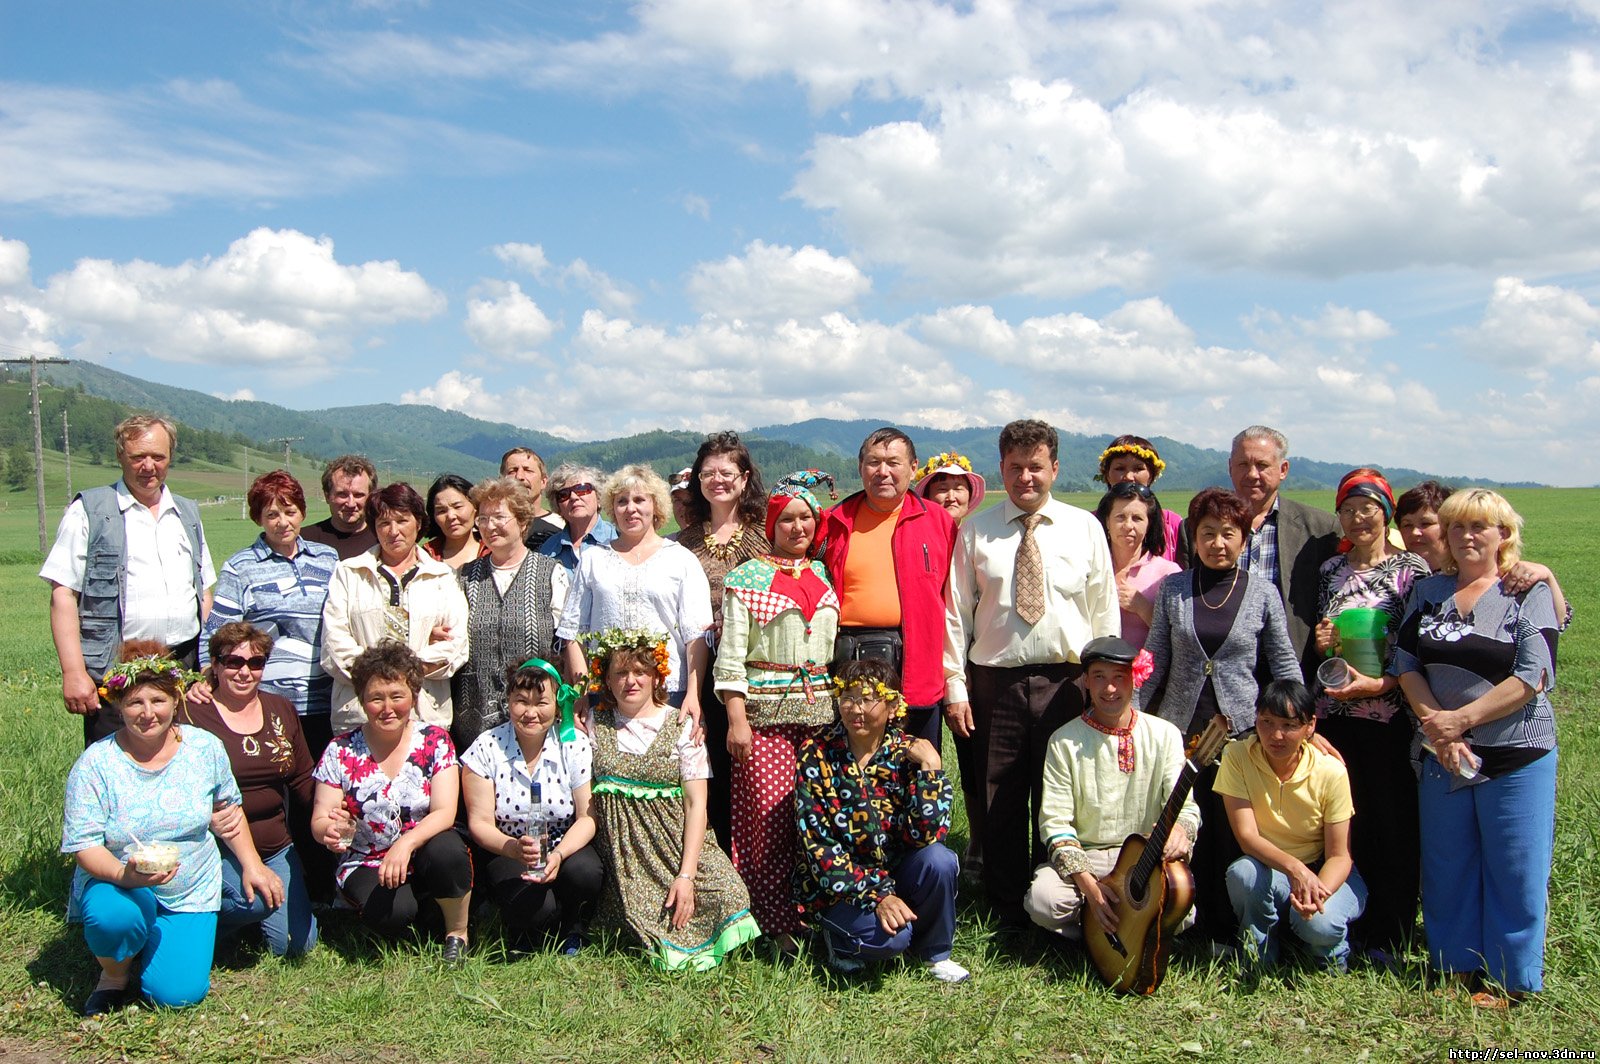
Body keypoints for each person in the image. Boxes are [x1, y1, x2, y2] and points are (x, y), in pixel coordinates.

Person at [943, 419, 1118, 927]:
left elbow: (1103, 608)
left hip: (1067, 682)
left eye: (1035, 467)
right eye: (1015, 467)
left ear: (1055, 468)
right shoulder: (977, 530)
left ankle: (1054, 897)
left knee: (1060, 793)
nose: (1025, 478)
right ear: (1001, 468)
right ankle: (1005, 904)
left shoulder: (1085, 527)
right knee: (999, 794)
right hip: (995, 680)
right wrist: (956, 686)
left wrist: (1101, 681)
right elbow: (957, 612)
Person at [1391, 489, 1559, 1005]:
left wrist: (1459, 720)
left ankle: (1512, 978)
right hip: (1442, 753)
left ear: (1502, 535)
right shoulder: (1427, 590)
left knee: (1515, 866)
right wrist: (1437, 727)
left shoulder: (1523, 589)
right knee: (1448, 864)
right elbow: (1405, 662)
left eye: (1480, 527)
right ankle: (1456, 967)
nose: (1467, 536)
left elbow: (1535, 673)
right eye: (1457, 526)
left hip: (1515, 752)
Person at [60, 643, 273, 1015]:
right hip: (118, 879)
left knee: (177, 995)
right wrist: (124, 875)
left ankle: (164, 939)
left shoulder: (204, 747)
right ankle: (114, 973)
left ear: (176, 700)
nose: (147, 713)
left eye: (157, 701)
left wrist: (253, 865)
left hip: (190, 883)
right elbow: (84, 844)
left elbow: (229, 810)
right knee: (114, 917)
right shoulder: (96, 763)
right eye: (135, 703)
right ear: (118, 705)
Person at [1139, 487, 1302, 946]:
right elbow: (1155, 659)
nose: (1218, 543)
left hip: (1240, 735)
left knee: (1233, 833)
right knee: (1182, 827)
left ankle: (1236, 931)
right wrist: (1130, 713)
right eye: (1207, 533)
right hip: (1181, 733)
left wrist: (1301, 722)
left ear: (1244, 538)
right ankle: (1185, 923)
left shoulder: (1261, 592)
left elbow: (1283, 663)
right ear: (1193, 536)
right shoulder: (1174, 588)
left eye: (1228, 533)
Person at [713, 472, 840, 952]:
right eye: (786, 518)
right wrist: (737, 719)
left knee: (813, 813)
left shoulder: (823, 576)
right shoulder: (747, 579)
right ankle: (771, 919)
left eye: (805, 517)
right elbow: (730, 659)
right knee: (767, 816)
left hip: (820, 715)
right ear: (771, 525)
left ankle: (813, 909)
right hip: (764, 716)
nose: (797, 526)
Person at [586, 629, 761, 970]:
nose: (631, 681)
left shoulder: (681, 724)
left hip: (677, 840)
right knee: (641, 910)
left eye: (640, 672)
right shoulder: (594, 724)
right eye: (620, 673)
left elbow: (697, 806)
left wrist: (686, 875)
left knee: (731, 894)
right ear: (607, 680)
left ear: (656, 677)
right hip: (628, 854)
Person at [41, 414, 216, 745]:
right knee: (117, 770)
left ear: (171, 457)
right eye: (138, 457)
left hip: (183, 669)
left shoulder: (187, 513)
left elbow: (203, 591)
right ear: (120, 455)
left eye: (158, 457)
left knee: (183, 763)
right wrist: (74, 672)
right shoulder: (90, 510)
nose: (148, 466)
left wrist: (206, 662)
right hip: (116, 671)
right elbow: (63, 593)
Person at [1310, 469, 1429, 955]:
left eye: (1368, 508)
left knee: (1390, 822)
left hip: (1387, 713)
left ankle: (1389, 930)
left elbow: (1418, 645)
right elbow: (1326, 636)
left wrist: (1380, 683)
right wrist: (1323, 642)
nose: (1359, 518)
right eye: (1348, 509)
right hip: (1337, 714)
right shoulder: (1330, 572)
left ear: (1385, 512)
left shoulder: (1412, 571)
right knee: (1344, 822)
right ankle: (1348, 924)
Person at [795, 659, 968, 982]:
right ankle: (840, 939)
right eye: (848, 698)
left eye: (866, 699)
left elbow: (928, 833)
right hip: (841, 887)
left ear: (892, 708)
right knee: (892, 940)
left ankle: (934, 952)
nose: (855, 709)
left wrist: (931, 768)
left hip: (896, 870)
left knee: (940, 860)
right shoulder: (816, 753)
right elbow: (819, 848)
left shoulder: (907, 753)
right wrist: (879, 896)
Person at [1023, 636, 1199, 941]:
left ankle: (1123, 933)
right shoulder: (1064, 741)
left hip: (1142, 859)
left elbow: (1186, 808)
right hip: (1088, 857)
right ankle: (1100, 936)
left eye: (1120, 678)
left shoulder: (1165, 735)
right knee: (1043, 900)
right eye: (1100, 677)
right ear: (1087, 682)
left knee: (1184, 908)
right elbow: (1054, 823)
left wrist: (1180, 831)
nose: (1110, 689)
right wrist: (1091, 889)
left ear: (1137, 678)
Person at [311, 643, 474, 964]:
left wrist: (406, 845)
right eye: (376, 698)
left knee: (449, 851)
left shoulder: (435, 741)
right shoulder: (340, 750)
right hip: (368, 858)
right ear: (362, 700)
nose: (387, 707)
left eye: (397, 696)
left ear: (413, 696)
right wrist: (328, 831)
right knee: (393, 916)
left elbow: (444, 811)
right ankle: (424, 907)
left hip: (424, 846)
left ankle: (458, 932)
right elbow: (319, 819)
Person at [182, 622, 318, 958]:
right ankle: (190, 930)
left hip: (274, 844)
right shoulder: (190, 712)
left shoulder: (280, 709)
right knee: (253, 901)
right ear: (214, 665)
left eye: (255, 663)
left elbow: (302, 778)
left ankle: (247, 916)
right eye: (233, 662)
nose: (245, 671)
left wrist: (330, 815)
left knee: (293, 946)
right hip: (217, 845)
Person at [821, 427, 956, 746]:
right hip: (849, 659)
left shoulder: (938, 522)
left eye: (893, 462)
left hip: (916, 658)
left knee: (916, 764)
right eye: (874, 462)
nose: (883, 471)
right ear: (860, 468)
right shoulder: (834, 522)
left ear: (913, 467)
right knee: (853, 767)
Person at [1218, 680, 1365, 972]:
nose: (1276, 735)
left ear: (1310, 726)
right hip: (1272, 868)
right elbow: (1247, 837)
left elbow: (1339, 855)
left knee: (1317, 922)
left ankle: (1331, 959)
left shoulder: (1330, 771)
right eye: (1266, 722)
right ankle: (1257, 955)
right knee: (1243, 873)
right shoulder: (1236, 756)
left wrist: (1316, 888)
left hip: (1323, 867)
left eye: (1288, 725)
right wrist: (1295, 869)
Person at [461, 659, 602, 953]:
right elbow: (479, 822)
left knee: (586, 872)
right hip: (511, 846)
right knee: (534, 907)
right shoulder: (487, 746)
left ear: (556, 703)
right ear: (508, 701)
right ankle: (528, 925)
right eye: (521, 701)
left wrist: (560, 854)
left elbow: (587, 817)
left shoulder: (573, 743)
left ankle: (573, 926)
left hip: (565, 841)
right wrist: (513, 848)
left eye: (542, 702)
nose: (531, 712)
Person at [195, 470, 339, 755]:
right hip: (269, 700)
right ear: (258, 518)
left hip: (328, 699)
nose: (283, 522)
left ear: (302, 512)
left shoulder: (328, 558)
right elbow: (218, 629)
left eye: (290, 511)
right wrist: (206, 674)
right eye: (272, 514)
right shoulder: (241, 566)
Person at [1178, 426, 1339, 680]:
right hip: (1220, 672)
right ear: (1230, 467)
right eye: (1243, 464)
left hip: (1290, 669)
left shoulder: (1319, 529)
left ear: (1283, 469)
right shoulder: (1195, 527)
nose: (1252, 474)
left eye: (1262, 465)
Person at [675, 431, 772, 849]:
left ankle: (757, 853)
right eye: (708, 473)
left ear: (745, 477)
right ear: (697, 481)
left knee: (751, 763)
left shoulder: (769, 532)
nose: (718, 480)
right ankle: (712, 855)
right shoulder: (682, 543)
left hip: (757, 664)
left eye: (727, 472)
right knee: (708, 758)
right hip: (699, 666)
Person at [558, 465, 713, 720]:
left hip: (666, 692)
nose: (631, 508)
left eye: (640, 500)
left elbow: (696, 634)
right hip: (605, 693)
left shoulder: (681, 560)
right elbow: (573, 632)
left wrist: (693, 695)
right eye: (622, 501)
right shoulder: (593, 560)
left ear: (656, 506)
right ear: (612, 509)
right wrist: (581, 692)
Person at [321, 482, 469, 733]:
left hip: (425, 713)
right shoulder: (349, 573)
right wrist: (380, 681)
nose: (393, 531)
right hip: (360, 713)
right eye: (384, 523)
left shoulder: (442, 576)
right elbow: (335, 642)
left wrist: (404, 675)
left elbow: (456, 645)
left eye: (402, 521)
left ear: (419, 523)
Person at [451, 477, 570, 752]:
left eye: (499, 517)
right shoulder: (465, 576)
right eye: (482, 519)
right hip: (474, 721)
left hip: (536, 718)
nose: (490, 526)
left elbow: (566, 642)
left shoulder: (551, 574)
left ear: (522, 521)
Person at [1396, 481, 1571, 624]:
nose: (1415, 533)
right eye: (1407, 525)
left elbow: (1558, 620)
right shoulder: (1402, 575)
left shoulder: (1510, 579)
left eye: (1426, 524)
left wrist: (1547, 576)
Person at [1096, 481, 1180, 650]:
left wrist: (1144, 608)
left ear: (1149, 524)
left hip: (1147, 673)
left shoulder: (1169, 573)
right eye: (1120, 517)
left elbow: (1181, 637)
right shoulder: (1091, 568)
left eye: (1137, 518)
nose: (1128, 526)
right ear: (1107, 521)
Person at [1095, 434, 1183, 561]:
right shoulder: (1089, 522)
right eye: (1120, 468)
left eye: (1138, 469)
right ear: (1107, 475)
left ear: (1152, 475)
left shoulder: (1173, 524)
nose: (1129, 476)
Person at [538, 463, 617, 572]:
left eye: (582, 489)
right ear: (558, 507)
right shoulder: (548, 550)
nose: (573, 497)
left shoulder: (618, 539)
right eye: (564, 494)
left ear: (599, 497)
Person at [301, 455, 380, 561]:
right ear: (327, 496)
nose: (351, 503)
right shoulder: (304, 541)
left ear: (371, 496)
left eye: (358, 495)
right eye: (342, 494)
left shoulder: (384, 539)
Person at [501, 448, 564, 552]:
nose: (519, 476)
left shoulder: (562, 525)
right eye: (512, 471)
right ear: (501, 480)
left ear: (543, 482)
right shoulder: (490, 526)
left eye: (528, 470)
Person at [423, 473, 486, 569]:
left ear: (475, 507)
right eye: (441, 511)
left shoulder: (493, 552)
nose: (451, 516)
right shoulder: (424, 557)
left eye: (457, 507)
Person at [913, 451, 986, 524]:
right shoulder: (916, 533)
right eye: (943, 489)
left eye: (958, 489)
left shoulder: (975, 532)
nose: (951, 498)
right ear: (927, 496)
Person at [668, 466, 694, 535]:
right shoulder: (665, 544)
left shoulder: (719, 542)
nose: (684, 507)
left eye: (691, 499)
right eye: (677, 500)